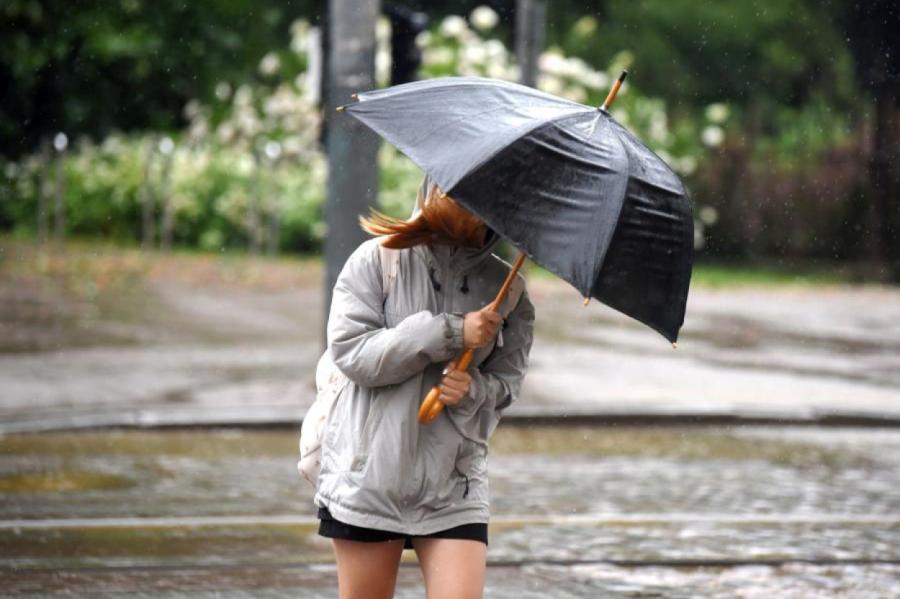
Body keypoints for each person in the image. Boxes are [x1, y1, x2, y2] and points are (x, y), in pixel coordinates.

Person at [314, 174, 535, 599]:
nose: (467, 205)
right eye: (455, 192)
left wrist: (470, 391)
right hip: (371, 476)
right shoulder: (377, 260)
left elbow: (506, 387)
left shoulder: (510, 293)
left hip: (454, 485)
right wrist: (452, 332)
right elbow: (353, 354)